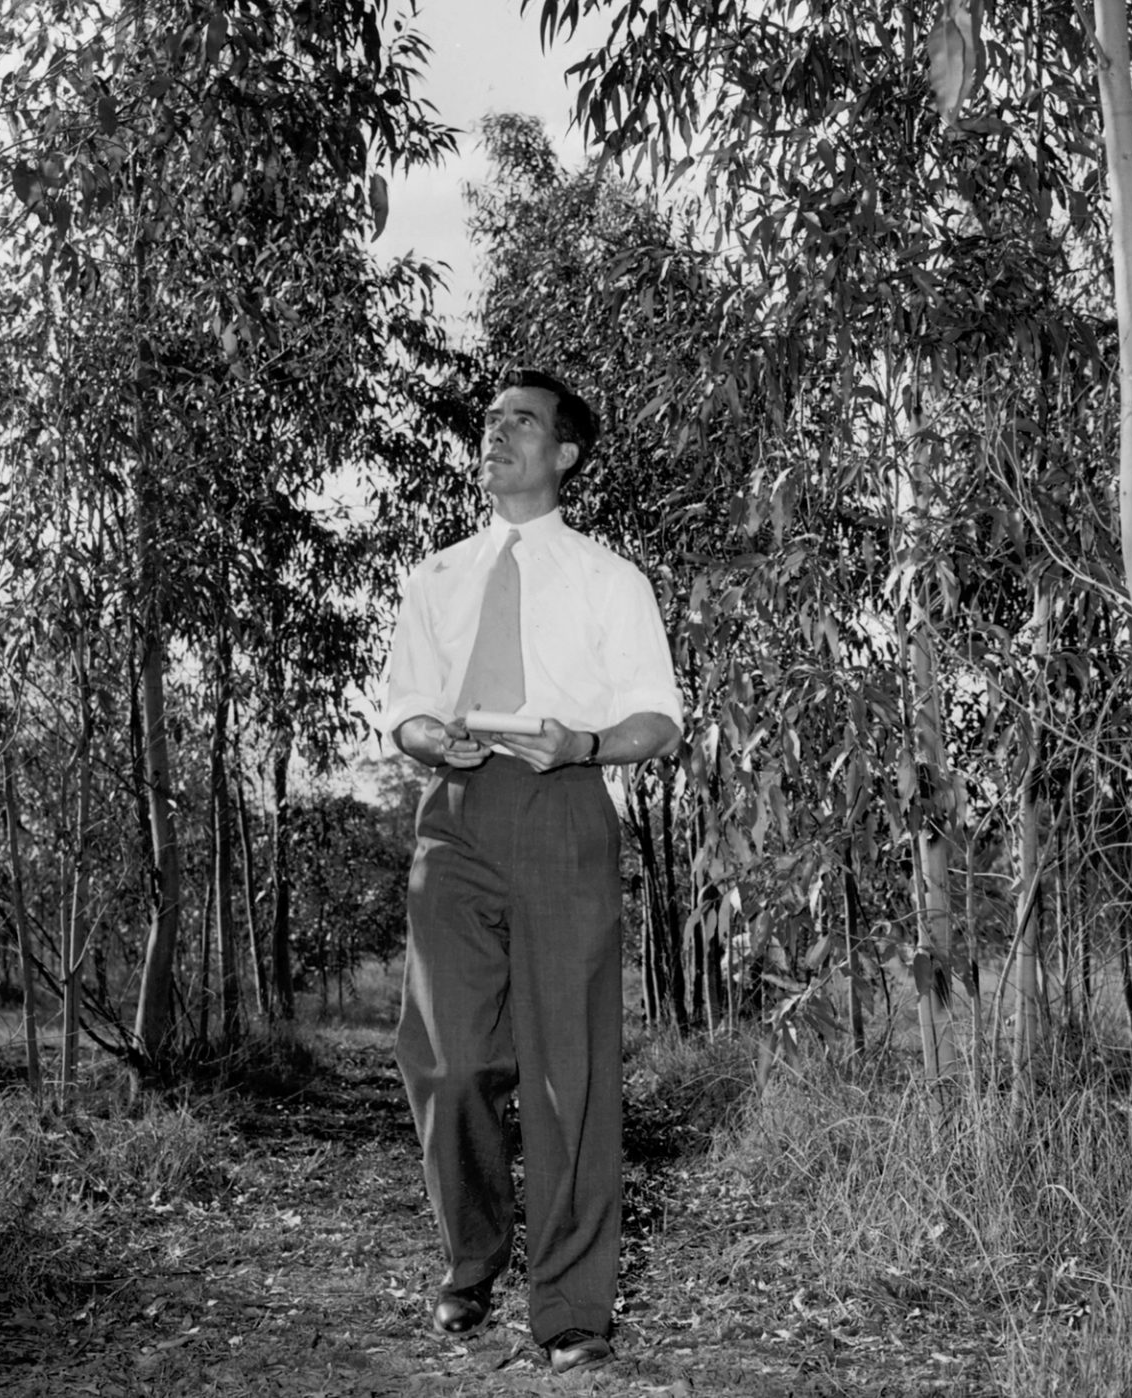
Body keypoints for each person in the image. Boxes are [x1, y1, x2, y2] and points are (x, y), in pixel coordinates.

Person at [379, 367, 683, 1374]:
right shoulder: (436, 577)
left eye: (522, 422)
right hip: (455, 816)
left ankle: (571, 1310)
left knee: (571, 1075)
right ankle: (472, 1257)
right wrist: (433, 742)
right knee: (450, 1061)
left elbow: (656, 719)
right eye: (490, 421)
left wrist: (586, 747)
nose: (497, 435)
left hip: (564, 804)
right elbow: (408, 707)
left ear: (566, 454)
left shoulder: (609, 581)